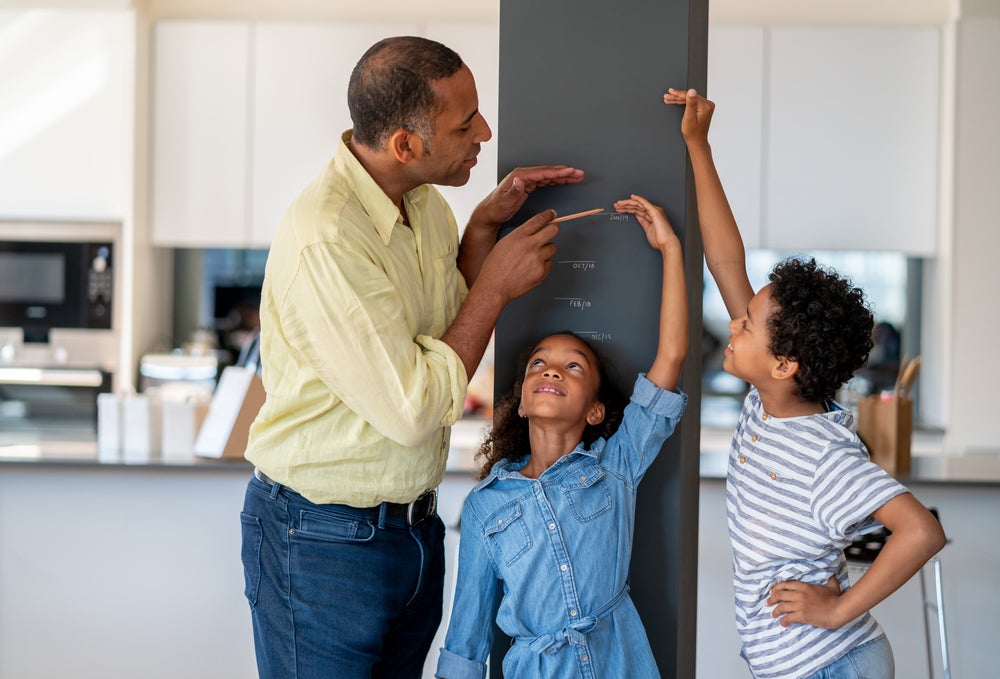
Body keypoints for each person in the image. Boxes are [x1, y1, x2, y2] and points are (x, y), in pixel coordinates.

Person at [239, 35, 586, 679]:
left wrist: (481, 230)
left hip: (412, 532)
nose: (484, 131)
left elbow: (442, 325)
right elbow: (414, 407)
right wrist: (497, 285)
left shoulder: (424, 205)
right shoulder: (329, 238)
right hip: (321, 543)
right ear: (405, 144)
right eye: (465, 124)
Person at [665, 87, 946, 679]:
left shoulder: (823, 454)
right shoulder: (768, 400)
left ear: (785, 363)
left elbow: (921, 531)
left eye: (746, 323)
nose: (733, 323)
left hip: (834, 666)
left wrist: (840, 606)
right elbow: (726, 262)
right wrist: (697, 145)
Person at [435, 194, 690, 678]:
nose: (552, 370)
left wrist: (672, 248)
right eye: (539, 363)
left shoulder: (616, 466)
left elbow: (672, 357)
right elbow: (465, 639)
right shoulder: (484, 507)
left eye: (574, 366)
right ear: (523, 402)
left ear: (595, 410)